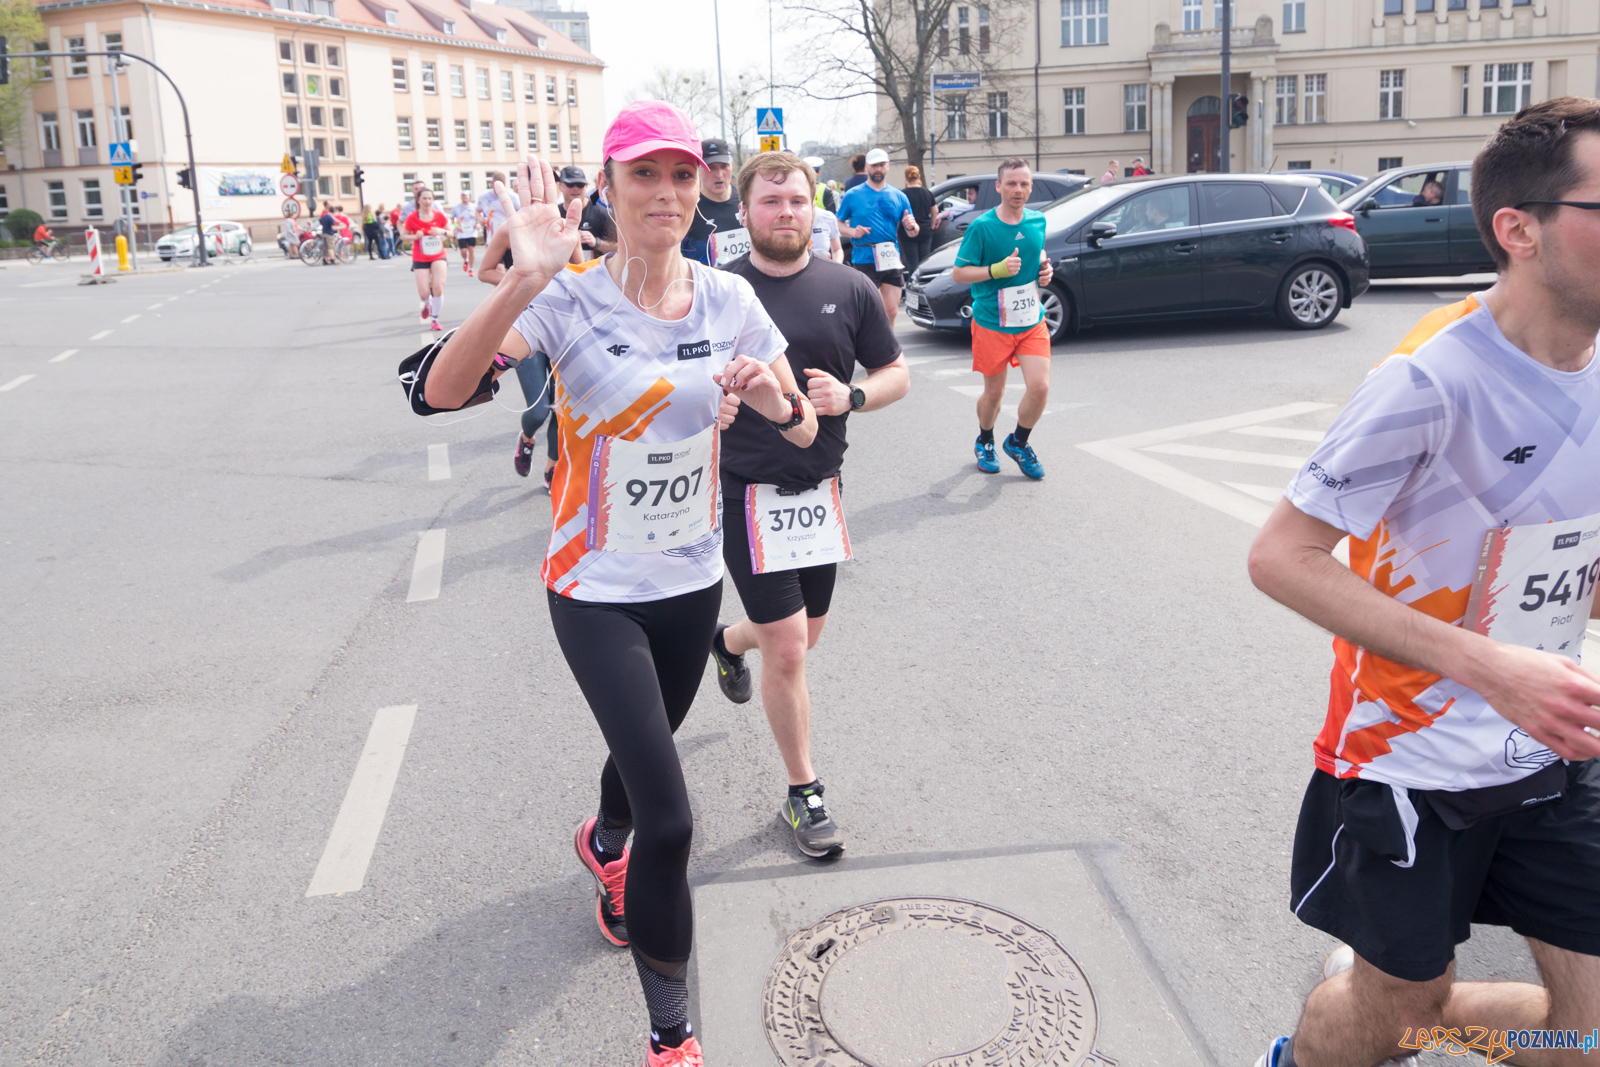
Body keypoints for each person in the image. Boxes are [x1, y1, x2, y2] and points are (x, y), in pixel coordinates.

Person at [422, 101, 818, 1067]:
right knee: (673, 815)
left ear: (701, 189)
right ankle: (671, 1035)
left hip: (690, 581)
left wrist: (774, 396)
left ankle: (604, 836)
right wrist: (522, 280)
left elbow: (803, 423)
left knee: (646, 758)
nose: (668, 193)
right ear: (608, 187)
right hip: (593, 589)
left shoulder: (728, 298)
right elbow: (437, 390)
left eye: (683, 176)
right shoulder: (568, 298)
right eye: (645, 175)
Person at [1246, 97, 1600, 1067]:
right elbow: (1280, 554)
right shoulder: (1429, 381)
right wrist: (1488, 667)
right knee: (1391, 1019)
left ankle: (1412, 1014)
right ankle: (1343, 1026)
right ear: (1518, 229)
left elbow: (1571, 568)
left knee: (1587, 1039)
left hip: (1549, 745)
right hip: (1409, 756)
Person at [707, 150, 910, 858]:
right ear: (745, 212)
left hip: (820, 493)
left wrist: (851, 396)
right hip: (745, 491)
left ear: (813, 207)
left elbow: (895, 373)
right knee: (790, 647)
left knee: (799, 637)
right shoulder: (719, 292)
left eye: (796, 200)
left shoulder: (849, 288)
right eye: (771, 201)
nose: (785, 212)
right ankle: (804, 791)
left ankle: (729, 641)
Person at [951, 157, 1053, 480]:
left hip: (1030, 321)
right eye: (1011, 183)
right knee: (994, 394)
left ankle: (1018, 443)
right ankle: (985, 440)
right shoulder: (983, 227)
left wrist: (1044, 270)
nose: (1018, 190)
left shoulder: (1038, 221)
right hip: (992, 323)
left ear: (1031, 187)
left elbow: (1039, 254)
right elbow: (958, 273)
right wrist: (996, 270)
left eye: (1024, 184)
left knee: (1040, 387)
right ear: (998, 187)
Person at [836, 147, 920, 327]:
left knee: (891, 310)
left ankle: (888, 348)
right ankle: (868, 348)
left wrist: (911, 226)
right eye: (874, 166)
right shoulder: (853, 195)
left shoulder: (899, 196)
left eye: (881, 165)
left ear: (887, 167)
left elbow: (913, 231)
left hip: (890, 257)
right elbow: (837, 223)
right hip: (864, 257)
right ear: (867, 167)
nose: (878, 169)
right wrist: (852, 232)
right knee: (867, 310)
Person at [680, 138, 742, 266]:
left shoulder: (747, 199)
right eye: (711, 168)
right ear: (698, 170)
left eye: (724, 167)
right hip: (705, 284)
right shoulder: (688, 207)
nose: (719, 174)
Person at [403, 187, 449, 330]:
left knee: (438, 288)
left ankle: (435, 319)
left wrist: (443, 231)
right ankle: (427, 303)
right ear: (418, 200)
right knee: (423, 292)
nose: (427, 201)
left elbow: (451, 232)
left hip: (438, 255)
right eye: (424, 198)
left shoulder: (439, 215)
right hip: (420, 256)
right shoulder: (412, 217)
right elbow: (403, 236)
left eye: (430, 198)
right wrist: (414, 236)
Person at [557, 164, 617, 261]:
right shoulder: (555, 213)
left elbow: (619, 247)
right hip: (562, 272)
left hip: (593, 272)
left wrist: (596, 242)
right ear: (560, 186)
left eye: (580, 184)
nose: (575, 188)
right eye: (570, 184)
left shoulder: (602, 213)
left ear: (586, 186)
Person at [899, 164, 938, 278]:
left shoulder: (903, 194)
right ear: (919, 177)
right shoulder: (927, 192)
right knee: (924, 262)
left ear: (906, 178)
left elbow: (898, 215)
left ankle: (912, 286)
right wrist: (932, 225)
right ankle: (923, 285)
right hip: (925, 231)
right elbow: (935, 210)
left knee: (913, 263)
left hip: (907, 232)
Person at [476, 171, 520, 240]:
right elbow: (477, 211)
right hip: (491, 234)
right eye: (495, 185)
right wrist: (480, 220)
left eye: (500, 185)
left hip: (509, 235)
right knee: (464, 250)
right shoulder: (483, 197)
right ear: (491, 183)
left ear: (504, 183)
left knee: (470, 249)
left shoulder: (513, 197)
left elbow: (521, 212)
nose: (498, 188)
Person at [451, 191, 478, 275]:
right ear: (460, 197)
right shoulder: (456, 208)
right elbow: (452, 219)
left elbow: (479, 217)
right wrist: (456, 226)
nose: (464, 197)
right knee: (463, 251)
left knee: (471, 249)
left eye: (466, 196)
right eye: (462, 196)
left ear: (469, 197)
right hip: (462, 232)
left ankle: (471, 269)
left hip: (472, 232)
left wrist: (478, 225)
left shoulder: (474, 207)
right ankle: (466, 259)